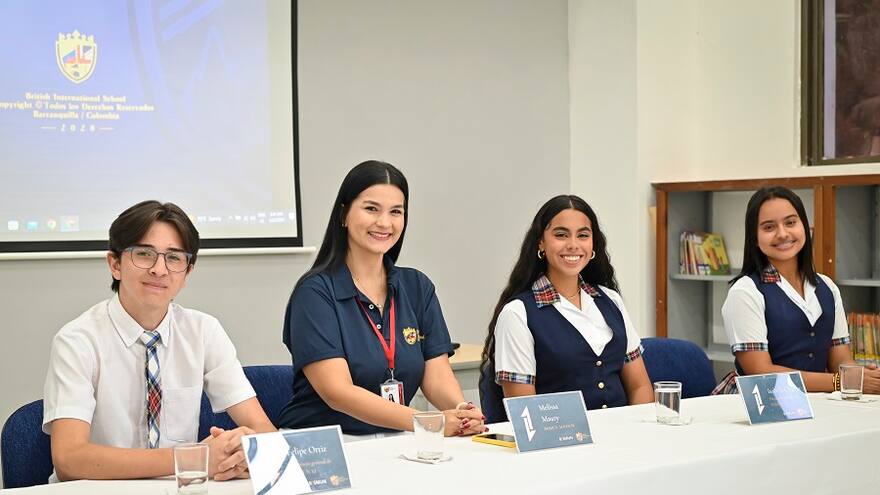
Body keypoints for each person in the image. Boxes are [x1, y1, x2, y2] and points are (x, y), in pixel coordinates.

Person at [42, 201, 275, 482]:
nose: (159, 269)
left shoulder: (204, 331)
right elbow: (70, 459)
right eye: (144, 254)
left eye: (174, 258)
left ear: (187, 273)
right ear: (115, 264)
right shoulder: (77, 341)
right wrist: (195, 458)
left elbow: (263, 430)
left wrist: (242, 454)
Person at [276, 160, 485, 438]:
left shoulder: (417, 286)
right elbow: (337, 392)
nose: (384, 223)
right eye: (371, 209)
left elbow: (436, 375)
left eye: (396, 212)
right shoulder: (315, 293)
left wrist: (461, 410)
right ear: (343, 214)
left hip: (397, 438)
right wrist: (428, 421)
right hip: (326, 443)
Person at [479, 195, 653, 423]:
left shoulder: (611, 300)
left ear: (593, 244)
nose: (573, 244)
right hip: (560, 441)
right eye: (561, 235)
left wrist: (640, 432)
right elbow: (526, 413)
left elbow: (640, 386)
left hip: (624, 436)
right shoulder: (517, 314)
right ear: (541, 243)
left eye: (583, 235)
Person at [720, 186, 880, 393]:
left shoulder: (827, 287)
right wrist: (841, 382)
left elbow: (841, 361)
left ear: (805, 226)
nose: (782, 234)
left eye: (790, 222)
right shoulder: (745, 291)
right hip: (759, 401)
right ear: (755, 239)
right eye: (769, 227)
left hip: (816, 400)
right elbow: (761, 373)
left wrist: (864, 377)